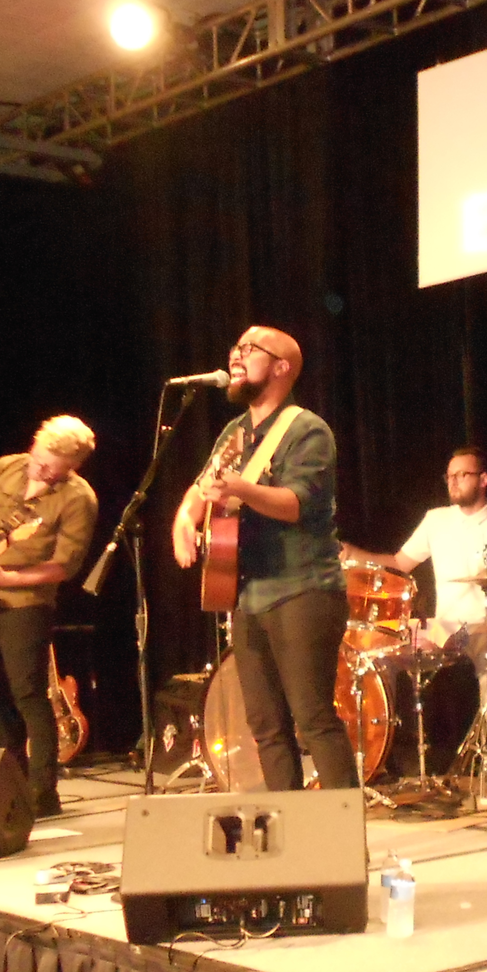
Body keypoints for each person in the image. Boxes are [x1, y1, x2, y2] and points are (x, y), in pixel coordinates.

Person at [172, 325, 358, 791]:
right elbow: (200, 490)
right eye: (234, 348)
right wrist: (183, 521)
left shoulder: (306, 429)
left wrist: (239, 489)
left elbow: (295, 503)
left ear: (281, 367)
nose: (236, 356)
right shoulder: (234, 433)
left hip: (304, 590)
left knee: (313, 720)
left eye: (249, 350)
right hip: (248, 597)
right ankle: (291, 837)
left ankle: (342, 842)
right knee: (266, 728)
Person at [0, 416, 99, 818]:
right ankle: (14, 769)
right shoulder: (5, 468)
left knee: (30, 697)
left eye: (51, 467)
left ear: (73, 466)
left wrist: (8, 577)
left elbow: (63, 567)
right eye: (39, 459)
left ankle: (42, 793)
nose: (40, 470)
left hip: (27, 606)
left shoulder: (77, 499)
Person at [340, 447, 487, 751]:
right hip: (445, 626)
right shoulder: (436, 520)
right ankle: (378, 753)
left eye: (462, 475)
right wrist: (354, 553)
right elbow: (400, 562)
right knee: (380, 657)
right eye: (449, 476)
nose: (453, 482)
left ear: (483, 480)